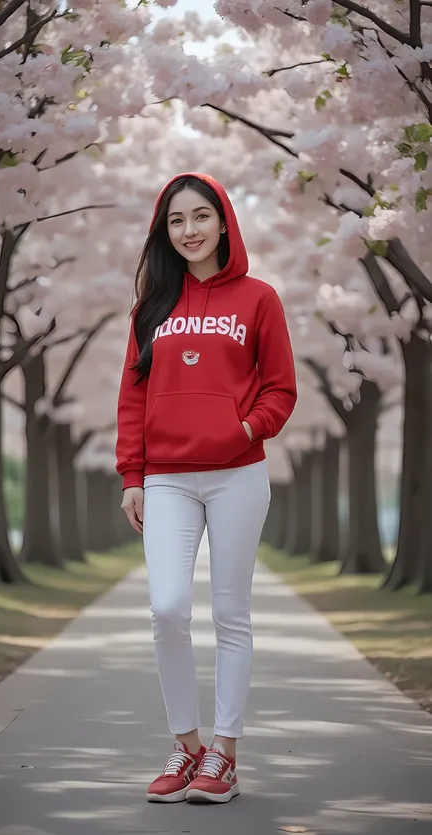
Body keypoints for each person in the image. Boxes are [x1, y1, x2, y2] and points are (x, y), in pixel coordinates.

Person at [116, 172, 296, 805]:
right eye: (175, 221)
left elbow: (281, 388)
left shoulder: (259, 300)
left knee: (231, 614)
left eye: (200, 217)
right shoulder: (152, 307)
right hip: (167, 480)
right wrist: (132, 476)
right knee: (167, 609)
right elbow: (132, 398)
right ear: (164, 232)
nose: (188, 231)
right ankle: (187, 745)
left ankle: (226, 754)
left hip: (237, 476)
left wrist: (245, 428)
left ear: (223, 222)